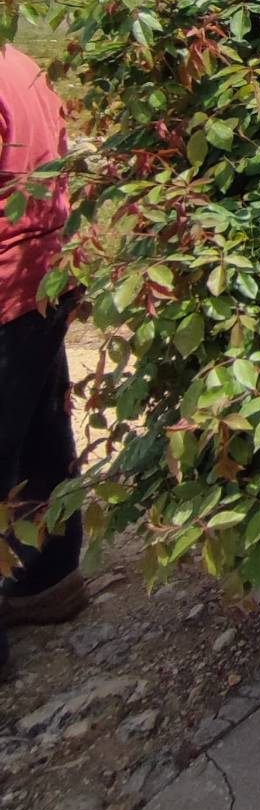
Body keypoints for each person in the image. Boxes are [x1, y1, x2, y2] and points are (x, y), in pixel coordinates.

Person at [0, 44, 85, 677]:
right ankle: (50, 579)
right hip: (46, 281)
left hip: (6, 291)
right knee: (41, 433)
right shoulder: (22, 63)